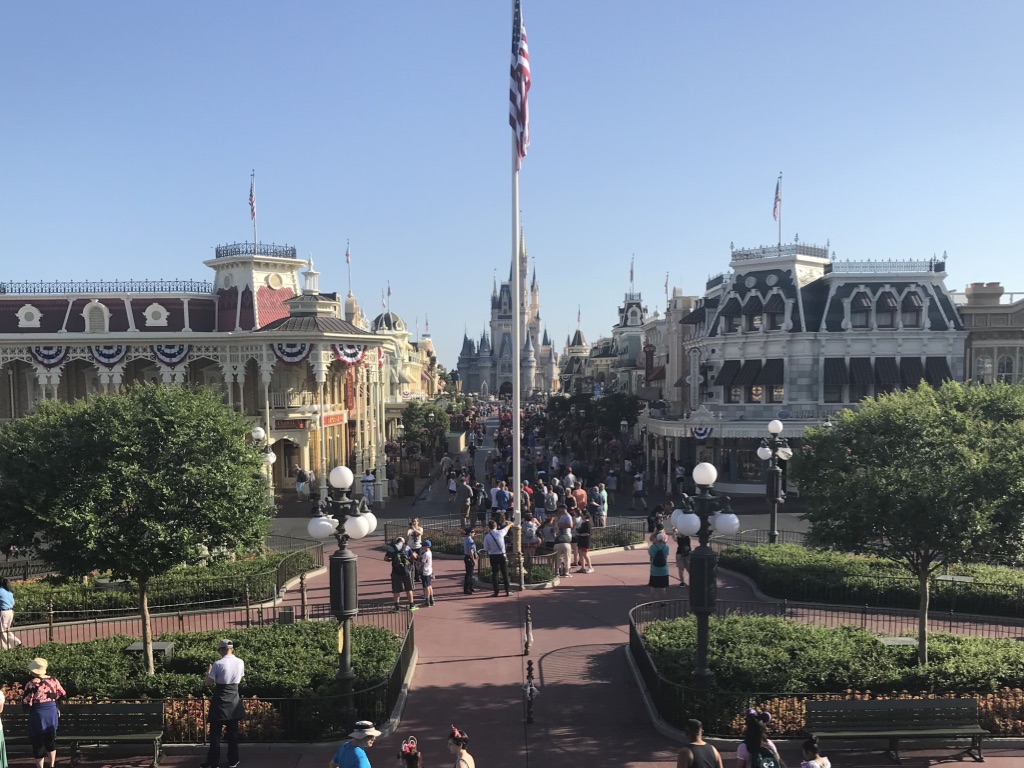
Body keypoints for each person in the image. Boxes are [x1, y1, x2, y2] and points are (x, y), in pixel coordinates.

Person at [202, 639, 245, 768]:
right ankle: (233, 761)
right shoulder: (240, 662)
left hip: (220, 700)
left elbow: (208, 683)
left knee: (215, 734)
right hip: (234, 699)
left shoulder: (218, 664)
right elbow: (240, 678)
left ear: (221, 650)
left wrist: (208, 673)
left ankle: (213, 762)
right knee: (233, 734)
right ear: (232, 649)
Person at [23, 658, 65, 768]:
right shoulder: (54, 681)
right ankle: (52, 765)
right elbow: (62, 694)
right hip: (51, 712)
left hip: (38, 713)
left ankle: (40, 766)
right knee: (50, 740)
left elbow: (26, 702)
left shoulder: (32, 684)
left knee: (37, 741)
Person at [386, 537, 418, 612]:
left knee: (396, 590)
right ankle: (411, 605)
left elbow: (385, 558)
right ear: (403, 541)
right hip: (406, 571)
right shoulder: (406, 547)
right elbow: (413, 556)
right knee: (409, 589)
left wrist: (392, 559)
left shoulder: (392, 548)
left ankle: (396, 607)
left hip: (395, 572)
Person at [483, 518, 513, 597]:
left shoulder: (487, 537)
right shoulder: (501, 532)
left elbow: (485, 548)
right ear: (496, 526)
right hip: (501, 555)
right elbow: (507, 527)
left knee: (495, 574)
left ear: (489, 527)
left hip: (493, 556)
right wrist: (510, 523)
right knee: (505, 573)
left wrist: (491, 549)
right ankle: (507, 590)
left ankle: (496, 591)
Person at [648, 532, 671, 600]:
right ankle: (663, 602)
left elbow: (651, 557)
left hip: (654, 570)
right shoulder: (666, 547)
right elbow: (666, 557)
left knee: (653, 587)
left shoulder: (652, 547)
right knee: (663, 587)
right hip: (664, 570)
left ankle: (650, 602)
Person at [554, 504, 574, 578]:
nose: (559, 510)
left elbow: (570, 525)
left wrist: (562, 525)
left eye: (560, 509)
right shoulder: (562, 516)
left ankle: (566, 571)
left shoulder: (568, 516)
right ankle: (558, 571)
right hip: (561, 536)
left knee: (567, 555)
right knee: (559, 556)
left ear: (564, 509)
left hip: (566, 536)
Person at [0, 579, 20, 649]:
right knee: (6, 630)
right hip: (10, 612)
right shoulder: (9, 592)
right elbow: (13, 603)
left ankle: (9, 647)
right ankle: (14, 643)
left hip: (3, 612)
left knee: (2, 631)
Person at [576, 508, 594, 573]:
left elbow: (588, 533)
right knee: (580, 553)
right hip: (581, 539)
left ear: (585, 515)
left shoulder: (588, 523)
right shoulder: (583, 522)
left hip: (586, 540)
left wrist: (580, 534)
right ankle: (582, 567)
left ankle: (590, 567)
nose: (581, 516)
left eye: (582, 515)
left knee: (585, 554)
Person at [406, 519, 424, 583]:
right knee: (410, 562)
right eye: (413, 522)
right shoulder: (410, 529)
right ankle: (409, 577)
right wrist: (408, 529)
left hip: (418, 547)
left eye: (415, 522)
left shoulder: (420, 528)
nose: (414, 523)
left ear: (418, 522)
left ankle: (417, 577)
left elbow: (421, 533)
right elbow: (407, 535)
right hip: (410, 547)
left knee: (417, 562)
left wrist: (415, 529)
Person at [419, 540, 435, 607]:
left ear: (426, 546)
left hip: (425, 571)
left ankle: (427, 600)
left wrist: (415, 561)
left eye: (423, 546)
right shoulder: (429, 552)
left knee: (426, 586)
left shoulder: (425, 554)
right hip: (429, 570)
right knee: (429, 585)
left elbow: (422, 563)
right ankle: (431, 599)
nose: (422, 547)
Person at [462, 527, 478, 595]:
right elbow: (471, 551)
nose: (474, 533)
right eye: (473, 532)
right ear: (470, 533)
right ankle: (467, 589)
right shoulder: (470, 540)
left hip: (467, 557)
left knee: (470, 574)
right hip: (469, 558)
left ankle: (471, 587)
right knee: (469, 574)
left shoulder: (466, 539)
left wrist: (476, 553)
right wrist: (473, 560)